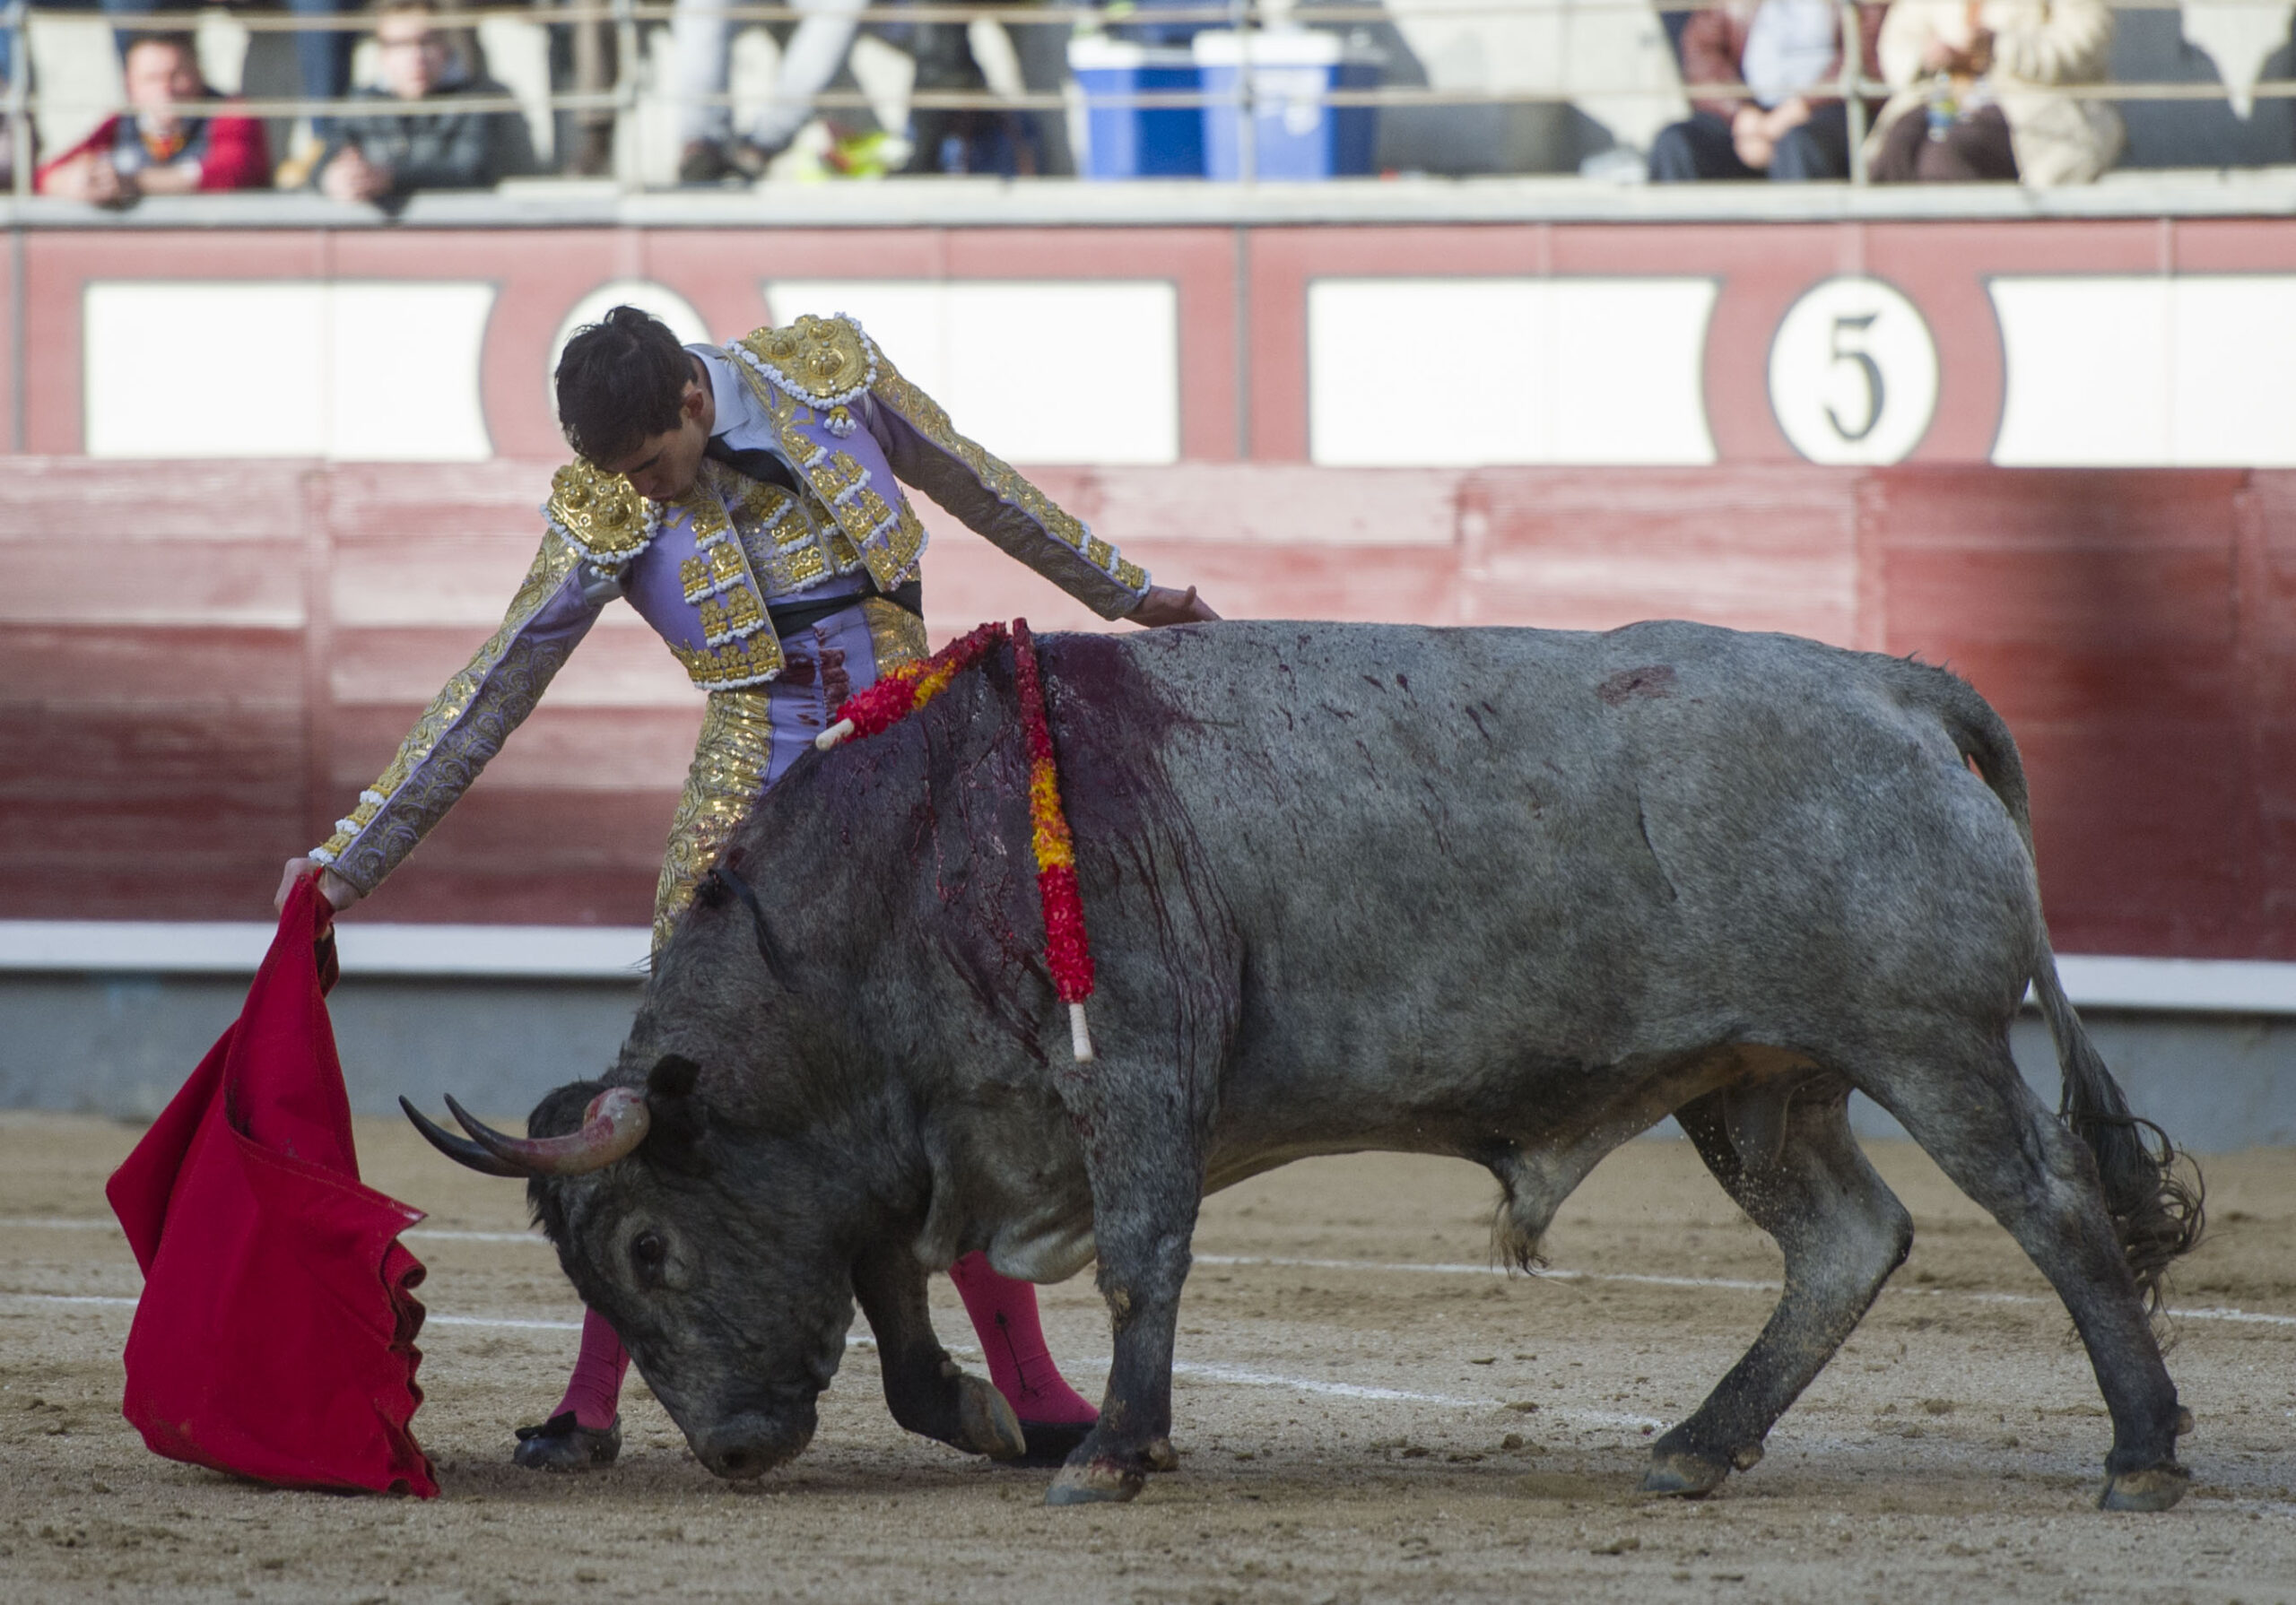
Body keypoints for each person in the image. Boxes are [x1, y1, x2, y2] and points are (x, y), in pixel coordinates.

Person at [274, 305, 1219, 1471]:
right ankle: (589, 1401)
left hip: (912, 772)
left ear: (689, 399)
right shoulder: (607, 504)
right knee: (665, 1109)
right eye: (618, 476)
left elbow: (983, 486)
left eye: (653, 463)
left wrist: (1128, 594)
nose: (646, 493)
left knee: (963, 1067)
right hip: (754, 793)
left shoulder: (827, 378)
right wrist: (345, 862)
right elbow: (493, 685)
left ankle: (1023, 1383)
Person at [1865, 0, 2122, 185]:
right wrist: (1927, 55)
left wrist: (1999, 46)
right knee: (1894, 151)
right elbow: (1898, 40)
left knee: (1947, 157)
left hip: (2030, 106)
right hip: (1942, 97)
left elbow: (2083, 43)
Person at [1648, 0, 1886, 182]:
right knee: (1676, 143)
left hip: (1827, 108)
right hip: (1748, 112)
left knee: (1799, 146)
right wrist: (1741, 115)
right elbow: (1702, 52)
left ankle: (1802, 246)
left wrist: (1797, 110)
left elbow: (1868, 50)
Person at [313, 0, 524, 204]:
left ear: (445, 47)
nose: (417, 56)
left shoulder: (474, 101)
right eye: (401, 44)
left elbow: (474, 171)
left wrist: (389, 178)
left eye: (426, 41)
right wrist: (333, 178)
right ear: (383, 53)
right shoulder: (362, 103)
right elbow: (321, 165)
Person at [36, 31, 270, 202]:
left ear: (199, 73)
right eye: (152, 78)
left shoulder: (230, 112)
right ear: (130, 84)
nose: (166, 89)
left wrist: (136, 182)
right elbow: (45, 173)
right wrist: (71, 182)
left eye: (176, 76)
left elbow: (235, 171)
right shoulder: (120, 123)